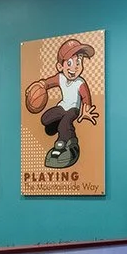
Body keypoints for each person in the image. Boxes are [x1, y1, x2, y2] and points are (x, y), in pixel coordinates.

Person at [25, 38, 99, 169]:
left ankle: (66, 141)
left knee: (65, 122)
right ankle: (58, 127)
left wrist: (86, 109)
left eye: (78, 62)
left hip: (73, 109)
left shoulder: (80, 83)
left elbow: (86, 97)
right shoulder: (61, 77)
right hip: (62, 106)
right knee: (45, 118)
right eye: (70, 63)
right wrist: (38, 85)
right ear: (60, 66)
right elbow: (47, 83)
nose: (75, 67)